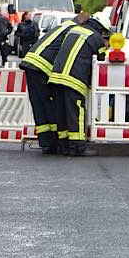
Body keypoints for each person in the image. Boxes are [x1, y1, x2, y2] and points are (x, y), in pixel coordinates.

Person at [47, 12, 110, 156]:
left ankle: (63, 146)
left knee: (61, 111)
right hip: (73, 78)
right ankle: (78, 146)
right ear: (101, 29)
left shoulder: (74, 30)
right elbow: (100, 61)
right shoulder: (96, 38)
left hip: (56, 76)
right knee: (77, 111)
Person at [19, 16, 80, 154]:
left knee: (39, 105)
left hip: (30, 63)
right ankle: (57, 142)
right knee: (51, 104)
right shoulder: (75, 32)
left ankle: (46, 142)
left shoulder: (64, 27)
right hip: (42, 67)